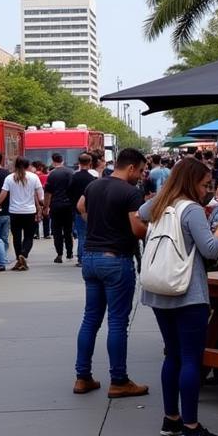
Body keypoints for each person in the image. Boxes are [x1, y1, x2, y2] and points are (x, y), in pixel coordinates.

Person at [138, 159, 218, 436]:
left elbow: (142, 212)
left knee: (173, 355)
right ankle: (191, 427)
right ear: (191, 181)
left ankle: (171, 419)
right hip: (187, 293)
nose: (207, 190)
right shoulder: (192, 210)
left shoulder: (158, 205)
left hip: (158, 290)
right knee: (192, 359)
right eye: (205, 184)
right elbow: (210, 250)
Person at [73, 147, 149, 398]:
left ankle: (82, 377)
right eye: (140, 170)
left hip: (91, 258)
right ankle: (119, 380)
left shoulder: (94, 186)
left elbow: (80, 206)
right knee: (117, 321)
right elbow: (137, 230)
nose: (140, 175)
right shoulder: (131, 192)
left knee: (90, 319)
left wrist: (96, 223)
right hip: (116, 259)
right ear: (130, 168)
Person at [0, 157, 44, 271]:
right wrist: (43, 206)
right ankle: (24, 254)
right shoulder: (34, 177)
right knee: (28, 237)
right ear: (28, 165)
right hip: (29, 212)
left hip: (14, 212)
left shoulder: (9, 178)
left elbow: (4, 193)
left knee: (16, 237)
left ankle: (19, 259)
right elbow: (40, 194)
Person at [68, 153, 96, 267]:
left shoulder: (74, 177)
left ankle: (81, 258)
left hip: (78, 209)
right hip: (90, 209)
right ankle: (89, 256)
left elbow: (68, 192)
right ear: (90, 163)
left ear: (79, 163)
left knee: (81, 235)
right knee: (90, 234)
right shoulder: (92, 178)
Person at [46, 152, 74, 264]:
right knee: (68, 230)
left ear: (53, 161)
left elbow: (48, 192)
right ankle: (70, 252)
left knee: (57, 231)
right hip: (68, 205)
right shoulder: (71, 172)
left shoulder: (52, 174)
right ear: (62, 160)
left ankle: (59, 254)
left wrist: (46, 206)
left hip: (56, 205)